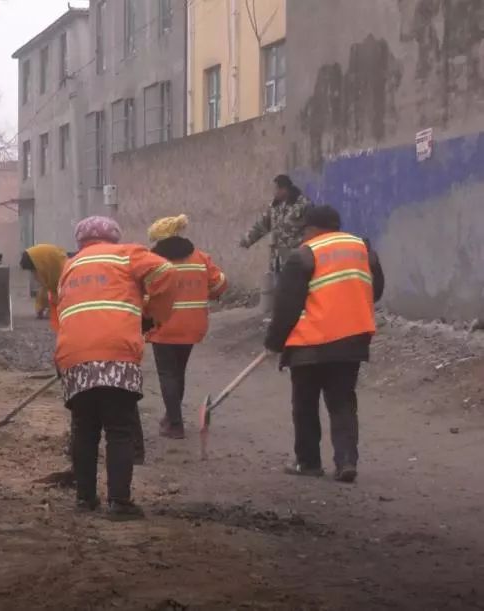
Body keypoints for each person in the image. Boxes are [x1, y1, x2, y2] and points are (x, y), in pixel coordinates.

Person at [55, 216, 177, 519]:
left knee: (84, 429)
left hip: (73, 355)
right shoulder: (126, 254)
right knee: (119, 430)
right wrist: (153, 315)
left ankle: (85, 499)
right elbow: (165, 270)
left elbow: (63, 311)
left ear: (80, 241)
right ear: (113, 237)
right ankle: (119, 503)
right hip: (116, 355)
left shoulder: (69, 267)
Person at [264, 205, 384, 483]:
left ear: (310, 228)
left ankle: (308, 463)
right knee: (342, 402)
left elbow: (287, 306)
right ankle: (346, 462)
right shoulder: (363, 249)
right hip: (352, 340)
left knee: (305, 403)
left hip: (311, 343)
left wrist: (275, 342)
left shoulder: (304, 254)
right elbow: (375, 290)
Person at [145, 214, 227, 439]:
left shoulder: (152, 261)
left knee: (167, 374)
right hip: (193, 325)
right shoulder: (199, 257)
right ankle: (172, 416)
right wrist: (207, 293)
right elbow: (220, 282)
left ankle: (175, 423)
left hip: (163, 326)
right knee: (178, 372)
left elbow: (141, 291)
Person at [240, 174, 312, 275]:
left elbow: (312, 226)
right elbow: (263, 225)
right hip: (278, 260)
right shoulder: (274, 207)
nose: (274, 192)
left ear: (284, 189)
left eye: (276, 189)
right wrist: (248, 239)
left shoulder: (302, 204)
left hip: (296, 258)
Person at [19, 244, 68, 320]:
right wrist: (40, 307)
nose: (34, 275)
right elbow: (45, 288)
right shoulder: (49, 270)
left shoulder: (65, 274)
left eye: (34, 270)